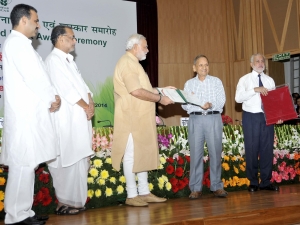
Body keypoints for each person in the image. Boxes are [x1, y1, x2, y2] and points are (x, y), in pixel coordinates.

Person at [0, 4, 61, 225]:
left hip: (29, 115)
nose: (38, 25)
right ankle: (15, 217)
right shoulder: (17, 44)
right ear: (23, 20)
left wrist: (51, 96)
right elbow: (34, 78)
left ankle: (23, 212)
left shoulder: (21, 45)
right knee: (23, 165)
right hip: (24, 117)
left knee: (27, 165)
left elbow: (39, 77)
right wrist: (51, 98)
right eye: (35, 20)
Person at [111, 34, 174, 207]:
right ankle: (132, 195)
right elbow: (135, 92)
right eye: (145, 47)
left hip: (140, 117)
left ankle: (144, 192)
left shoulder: (133, 63)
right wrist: (160, 98)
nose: (147, 50)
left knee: (141, 153)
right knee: (131, 155)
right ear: (135, 46)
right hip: (131, 117)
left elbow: (143, 89)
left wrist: (161, 90)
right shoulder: (127, 63)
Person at [45, 25, 94, 215]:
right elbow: (66, 90)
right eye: (72, 37)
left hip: (80, 120)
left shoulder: (69, 61)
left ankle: (77, 202)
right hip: (67, 120)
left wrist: (91, 103)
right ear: (60, 39)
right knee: (68, 159)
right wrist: (85, 106)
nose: (75, 41)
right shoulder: (53, 61)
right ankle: (66, 202)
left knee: (79, 158)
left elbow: (83, 86)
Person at [182, 54, 227, 199]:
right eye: (200, 65)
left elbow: (221, 100)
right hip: (196, 119)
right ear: (194, 68)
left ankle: (217, 186)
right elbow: (184, 103)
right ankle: (195, 188)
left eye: (206, 64)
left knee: (215, 152)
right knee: (196, 154)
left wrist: (210, 104)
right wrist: (198, 105)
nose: (204, 67)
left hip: (213, 118)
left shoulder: (216, 82)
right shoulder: (189, 84)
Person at [235, 53, 280, 192]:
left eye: (262, 61)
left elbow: (274, 101)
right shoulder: (244, 80)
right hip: (251, 116)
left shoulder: (270, 80)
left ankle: (266, 182)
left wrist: (278, 115)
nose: (260, 63)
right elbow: (238, 98)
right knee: (252, 149)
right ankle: (253, 182)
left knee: (267, 150)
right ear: (251, 64)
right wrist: (255, 90)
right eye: (257, 61)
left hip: (267, 117)